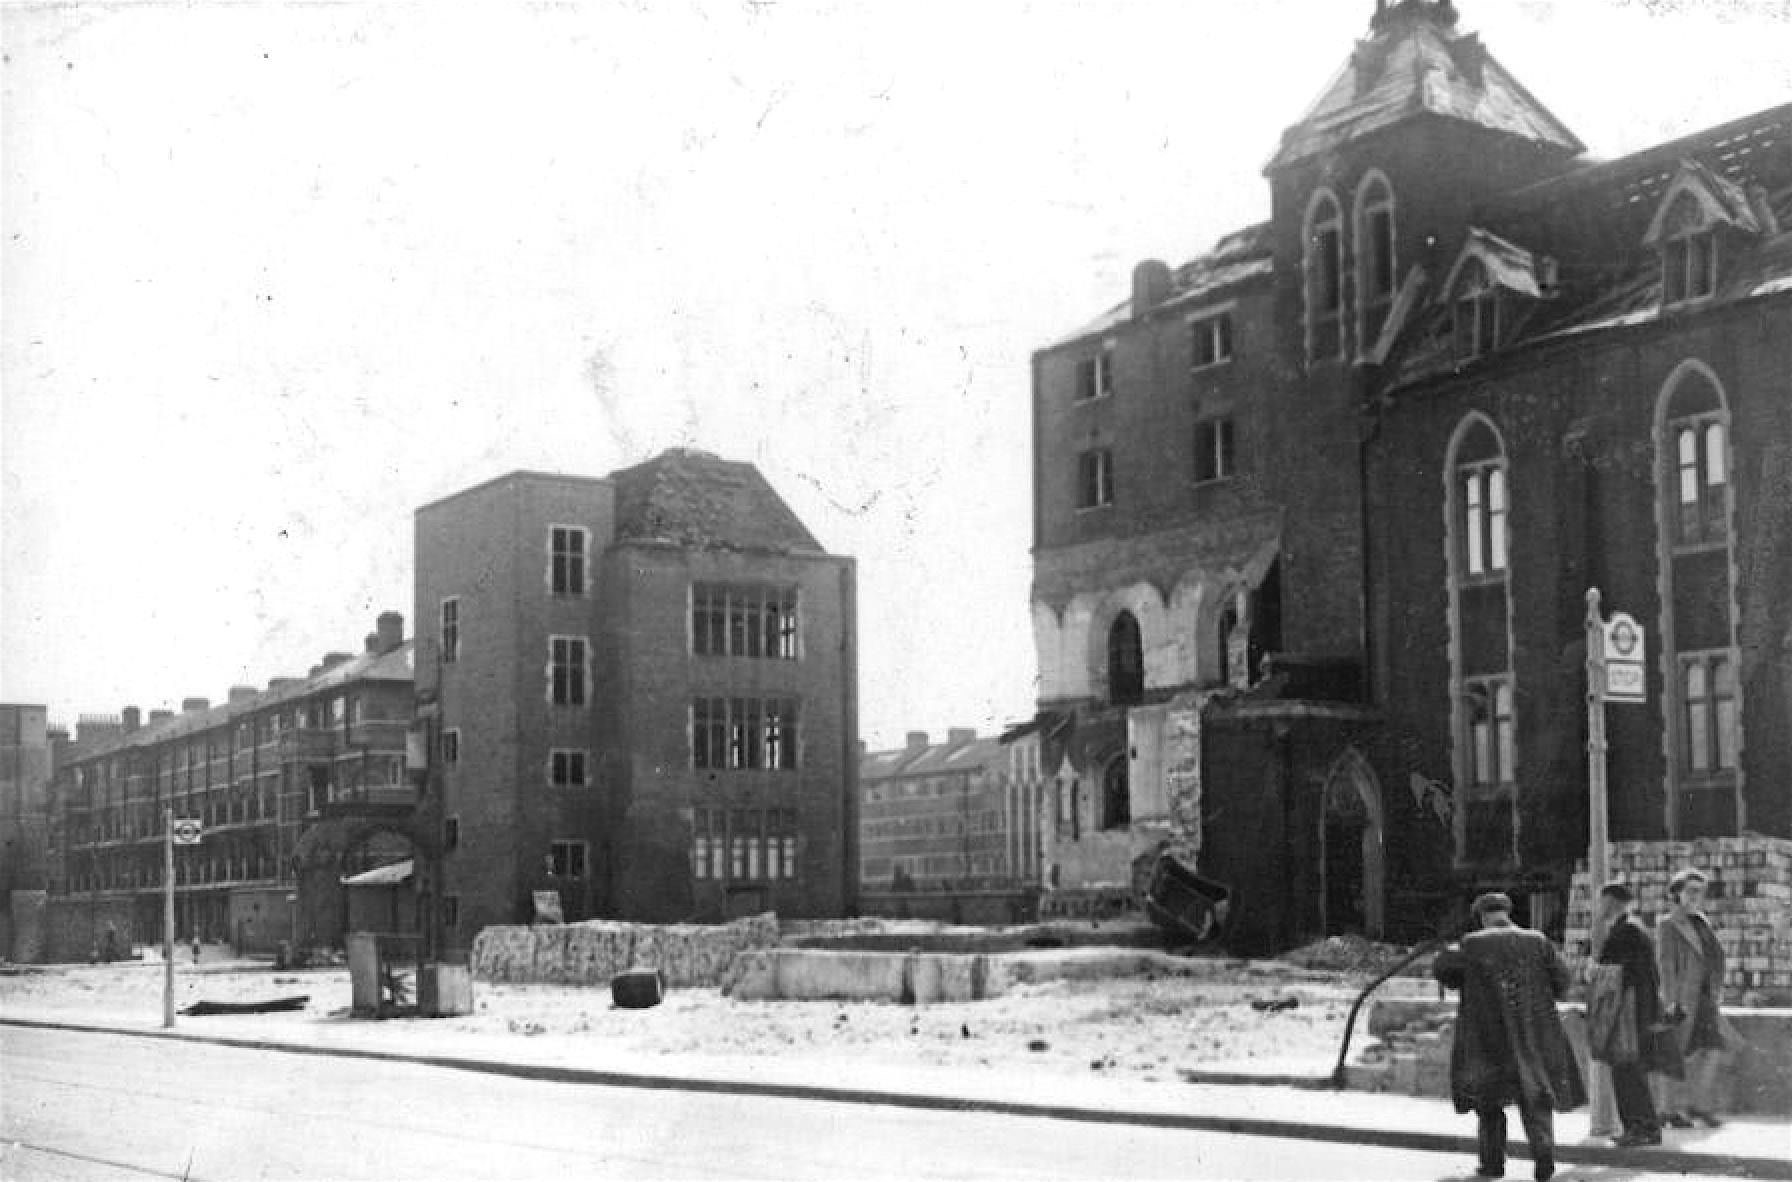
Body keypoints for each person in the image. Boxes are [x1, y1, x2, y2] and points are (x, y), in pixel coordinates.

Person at [1434, 892, 1584, 1182]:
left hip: (1488, 1037)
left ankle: (1492, 1165)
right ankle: (1544, 1159)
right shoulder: (1538, 941)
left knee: (1489, 1102)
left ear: (1481, 917)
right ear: (1507, 914)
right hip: (1532, 1034)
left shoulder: (1472, 944)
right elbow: (1563, 982)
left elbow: (1443, 971)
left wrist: (1455, 947)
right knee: (1536, 1099)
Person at [1655, 868, 1732, 1128]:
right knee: (1677, 1053)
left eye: (1700, 892)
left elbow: (1715, 956)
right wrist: (1670, 1002)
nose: (1696, 897)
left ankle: (1699, 1106)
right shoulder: (1668, 924)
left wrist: (1717, 988)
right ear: (1676, 893)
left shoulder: (1701, 922)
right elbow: (1665, 966)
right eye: (1691, 891)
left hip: (1706, 999)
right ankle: (1668, 1110)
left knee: (1713, 1050)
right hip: (1683, 999)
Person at [1591, 881, 1663, 1146]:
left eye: (1602, 902)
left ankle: (1640, 1128)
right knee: (1630, 1071)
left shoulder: (1625, 932)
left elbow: (1612, 972)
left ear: (1611, 902)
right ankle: (1642, 1127)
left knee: (1627, 1072)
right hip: (1634, 1012)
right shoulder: (1633, 929)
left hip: (1627, 1014)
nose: (1599, 907)